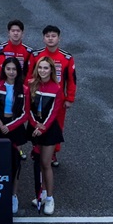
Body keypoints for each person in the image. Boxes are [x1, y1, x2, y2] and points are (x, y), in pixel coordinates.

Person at [28, 25, 75, 167]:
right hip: (38, 97)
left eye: (53, 36)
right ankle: (36, 146)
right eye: (47, 36)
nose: (50, 38)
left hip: (57, 100)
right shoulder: (36, 55)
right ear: (43, 38)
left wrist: (70, 98)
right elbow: (29, 76)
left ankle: (53, 151)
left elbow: (72, 80)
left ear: (59, 38)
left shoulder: (67, 58)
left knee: (56, 127)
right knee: (35, 122)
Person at [0, 57, 30, 214]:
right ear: (4, 70)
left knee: (15, 163)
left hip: (15, 128)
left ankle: (13, 196)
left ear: (18, 71)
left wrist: (10, 126)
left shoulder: (24, 89)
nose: (11, 72)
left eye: (14, 69)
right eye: (8, 69)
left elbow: (25, 114)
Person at [27, 56, 64, 215]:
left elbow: (54, 112)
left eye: (46, 68)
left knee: (45, 163)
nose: (42, 70)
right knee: (37, 162)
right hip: (35, 127)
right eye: (40, 67)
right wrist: (35, 124)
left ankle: (49, 198)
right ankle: (40, 193)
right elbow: (27, 108)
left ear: (51, 70)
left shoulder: (56, 88)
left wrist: (42, 128)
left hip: (49, 130)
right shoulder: (30, 85)